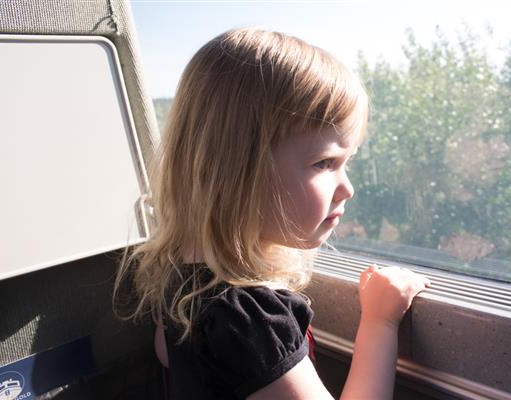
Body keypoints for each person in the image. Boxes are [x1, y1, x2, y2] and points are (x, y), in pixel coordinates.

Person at [114, 27, 430, 399]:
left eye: (348, 163)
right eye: (324, 163)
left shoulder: (182, 284)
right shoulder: (248, 322)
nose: (348, 188)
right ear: (237, 171)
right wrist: (380, 321)